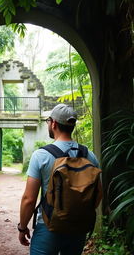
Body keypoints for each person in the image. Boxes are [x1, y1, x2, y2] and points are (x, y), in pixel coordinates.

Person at [17, 103, 102, 255]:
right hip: (78, 228)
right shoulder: (90, 155)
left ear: (54, 123)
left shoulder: (41, 155)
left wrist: (22, 228)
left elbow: (29, 199)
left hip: (48, 226)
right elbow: (98, 195)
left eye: (48, 121)